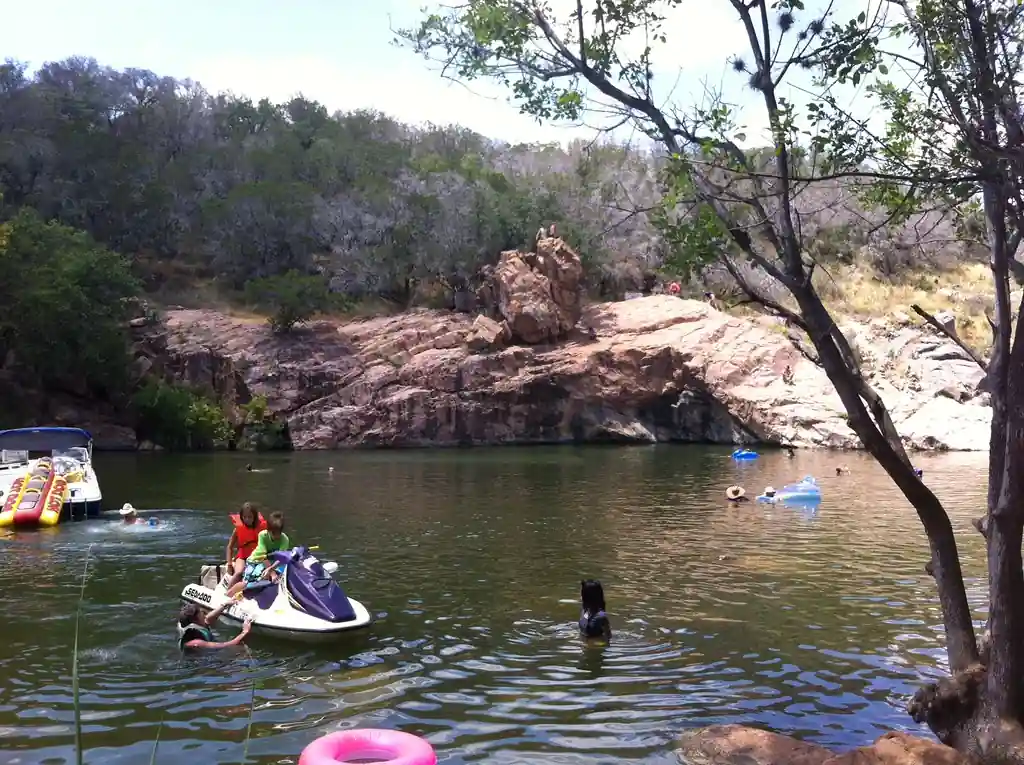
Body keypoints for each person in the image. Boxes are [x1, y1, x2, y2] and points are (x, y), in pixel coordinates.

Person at [226, 511, 291, 599]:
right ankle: (228, 594)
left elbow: (282, 557)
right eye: (274, 533)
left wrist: (271, 569)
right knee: (248, 583)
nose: (276, 536)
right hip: (256, 560)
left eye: (278, 533)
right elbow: (262, 555)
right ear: (268, 530)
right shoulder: (262, 535)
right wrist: (271, 572)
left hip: (273, 563)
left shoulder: (284, 539)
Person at [224, 502, 267, 589]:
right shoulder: (238, 529)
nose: (247, 519)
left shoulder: (263, 528)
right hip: (243, 557)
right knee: (239, 572)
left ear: (254, 517)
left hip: (259, 556)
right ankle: (228, 591)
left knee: (263, 573)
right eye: (244, 517)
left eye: (250, 517)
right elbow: (230, 547)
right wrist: (229, 564)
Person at [178, 602, 252, 650]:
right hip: (201, 667)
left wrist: (224, 605)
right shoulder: (195, 642)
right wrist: (245, 631)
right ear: (195, 619)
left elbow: (208, 619)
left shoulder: (195, 628)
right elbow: (226, 645)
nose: (203, 613)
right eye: (201, 612)